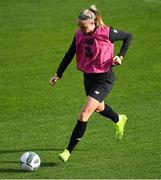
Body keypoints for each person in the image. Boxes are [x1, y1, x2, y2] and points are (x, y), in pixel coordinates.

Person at [50, 5, 133, 162]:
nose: (81, 29)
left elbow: (129, 36)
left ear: (93, 22)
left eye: (84, 26)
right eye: (79, 26)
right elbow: (69, 54)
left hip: (104, 79)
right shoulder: (78, 35)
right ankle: (118, 119)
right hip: (88, 78)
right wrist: (58, 74)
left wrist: (120, 56)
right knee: (99, 107)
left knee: (84, 114)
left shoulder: (106, 33)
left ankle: (67, 151)